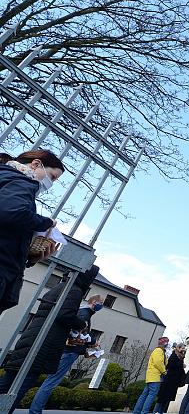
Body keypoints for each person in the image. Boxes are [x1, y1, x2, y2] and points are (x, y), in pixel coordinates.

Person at [0, 265, 97, 413]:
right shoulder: (74, 291)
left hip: (31, 338)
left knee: (7, 382)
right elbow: (64, 315)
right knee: (20, 387)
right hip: (43, 345)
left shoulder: (58, 287)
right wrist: (81, 324)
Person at [0, 150, 63, 314]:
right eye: (53, 177)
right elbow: (12, 213)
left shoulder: (7, 178)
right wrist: (47, 223)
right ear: (35, 164)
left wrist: (30, 257)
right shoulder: (22, 182)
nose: (51, 183)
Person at [29, 294, 104, 414]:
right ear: (94, 302)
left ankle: (35, 410)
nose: (101, 306)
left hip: (66, 350)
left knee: (49, 380)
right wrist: (93, 342)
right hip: (69, 352)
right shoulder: (84, 315)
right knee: (51, 382)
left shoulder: (81, 312)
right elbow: (76, 335)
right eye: (101, 303)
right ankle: (35, 411)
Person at [133, 337, 169, 414]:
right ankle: (144, 412)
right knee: (151, 395)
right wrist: (164, 371)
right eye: (167, 342)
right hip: (155, 377)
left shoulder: (157, 351)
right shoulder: (159, 351)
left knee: (144, 395)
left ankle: (137, 411)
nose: (167, 344)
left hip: (150, 377)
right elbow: (158, 362)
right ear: (164, 343)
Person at [156, 343, 187, 414]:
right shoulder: (174, 355)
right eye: (182, 348)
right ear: (178, 348)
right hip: (169, 379)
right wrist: (181, 365)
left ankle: (161, 411)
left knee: (167, 398)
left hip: (174, 381)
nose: (183, 350)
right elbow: (170, 365)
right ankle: (157, 411)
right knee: (162, 398)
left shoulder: (181, 357)